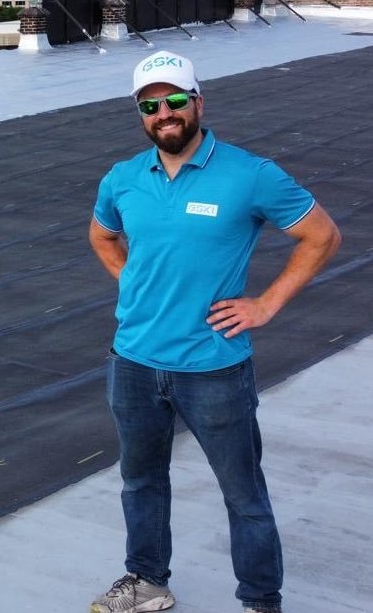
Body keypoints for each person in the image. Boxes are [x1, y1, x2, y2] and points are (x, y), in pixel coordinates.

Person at [88, 51, 341, 613]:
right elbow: (103, 237)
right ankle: (148, 582)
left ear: (198, 102)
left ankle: (260, 601)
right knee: (141, 482)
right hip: (132, 362)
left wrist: (267, 303)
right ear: (141, 114)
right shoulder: (123, 178)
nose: (164, 113)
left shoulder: (249, 175)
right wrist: (132, 284)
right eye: (150, 105)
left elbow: (322, 235)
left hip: (214, 367)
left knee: (244, 496)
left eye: (175, 100)